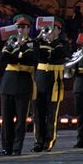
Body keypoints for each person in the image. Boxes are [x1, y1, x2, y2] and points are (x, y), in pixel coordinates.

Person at [0, 14, 36, 156]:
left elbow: (31, 59)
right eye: (18, 27)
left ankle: (16, 147)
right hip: (8, 83)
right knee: (6, 118)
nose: (21, 30)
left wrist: (21, 46)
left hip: (23, 84)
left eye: (24, 27)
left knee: (20, 119)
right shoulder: (9, 42)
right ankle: (6, 147)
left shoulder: (31, 44)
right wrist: (12, 46)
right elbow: (2, 58)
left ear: (29, 29)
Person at [31, 17, 71, 152]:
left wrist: (52, 42)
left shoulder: (63, 43)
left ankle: (49, 140)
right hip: (40, 78)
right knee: (38, 112)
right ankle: (38, 141)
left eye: (53, 28)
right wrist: (39, 36)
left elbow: (64, 54)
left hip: (55, 80)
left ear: (59, 30)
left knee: (52, 112)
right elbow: (33, 52)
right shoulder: (39, 42)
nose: (50, 31)